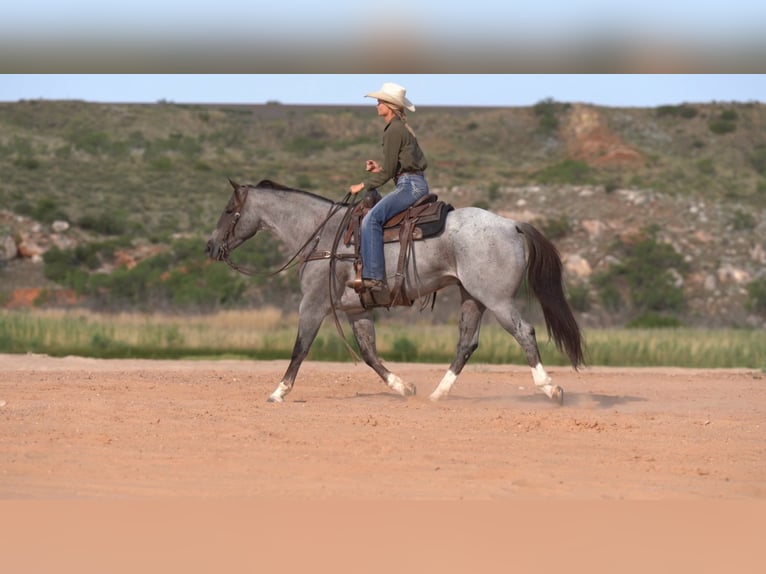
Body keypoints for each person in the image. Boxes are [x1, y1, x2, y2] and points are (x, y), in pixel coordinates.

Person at [347, 82, 429, 305]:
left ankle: (374, 277)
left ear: (390, 107)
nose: (377, 105)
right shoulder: (399, 128)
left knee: (371, 220)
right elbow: (397, 167)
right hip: (413, 182)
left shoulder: (394, 130)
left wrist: (362, 185)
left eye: (380, 101)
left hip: (409, 186)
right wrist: (379, 169)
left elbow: (394, 171)